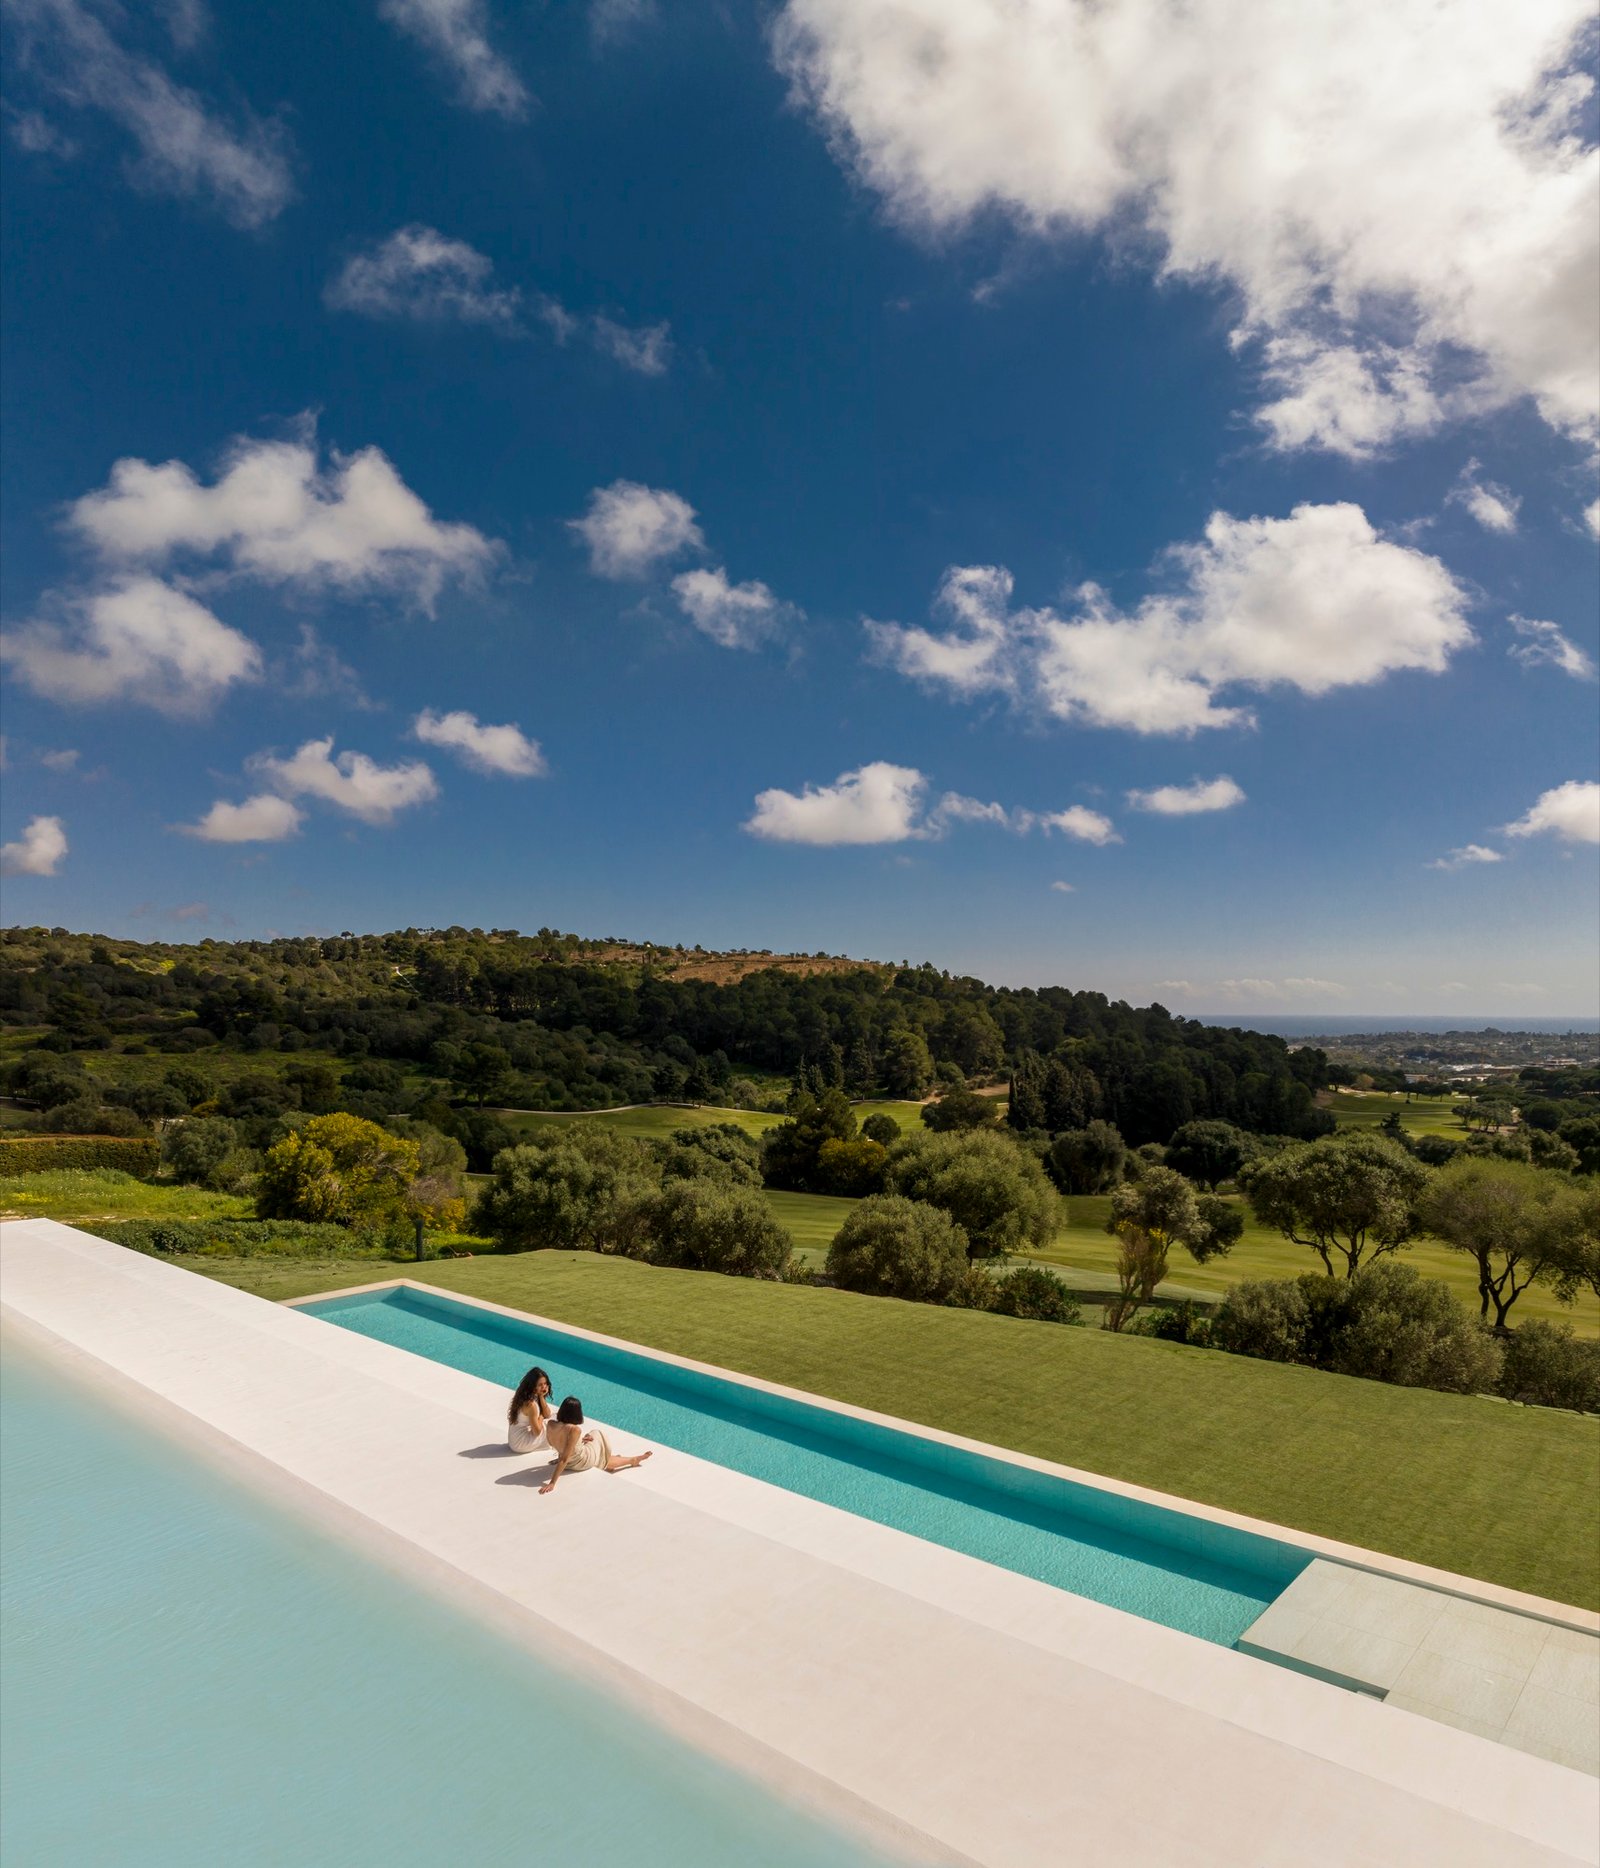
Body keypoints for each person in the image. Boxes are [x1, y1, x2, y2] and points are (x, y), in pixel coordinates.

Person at [539, 1397, 653, 1495]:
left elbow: (558, 1444)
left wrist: (580, 1440)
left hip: (568, 1461)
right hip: (580, 1461)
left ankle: (629, 1460)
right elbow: (565, 1458)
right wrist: (552, 1483)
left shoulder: (551, 1424)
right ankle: (628, 1460)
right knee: (597, 1433)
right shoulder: (574, 1429)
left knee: (591, 1439)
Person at [506, 1366, 556, 1454]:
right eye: (540, 1385)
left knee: (553, 1419)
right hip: (520, 1443)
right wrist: (541, 1417)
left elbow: (547, 1414)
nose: (544, 1387)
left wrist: (541, 1396)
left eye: (545, 1383)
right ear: (533, 1386)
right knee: (554, 1425)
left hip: (515, 1439)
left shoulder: (526, 1395)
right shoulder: (531, 1404)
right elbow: (537, 1432)